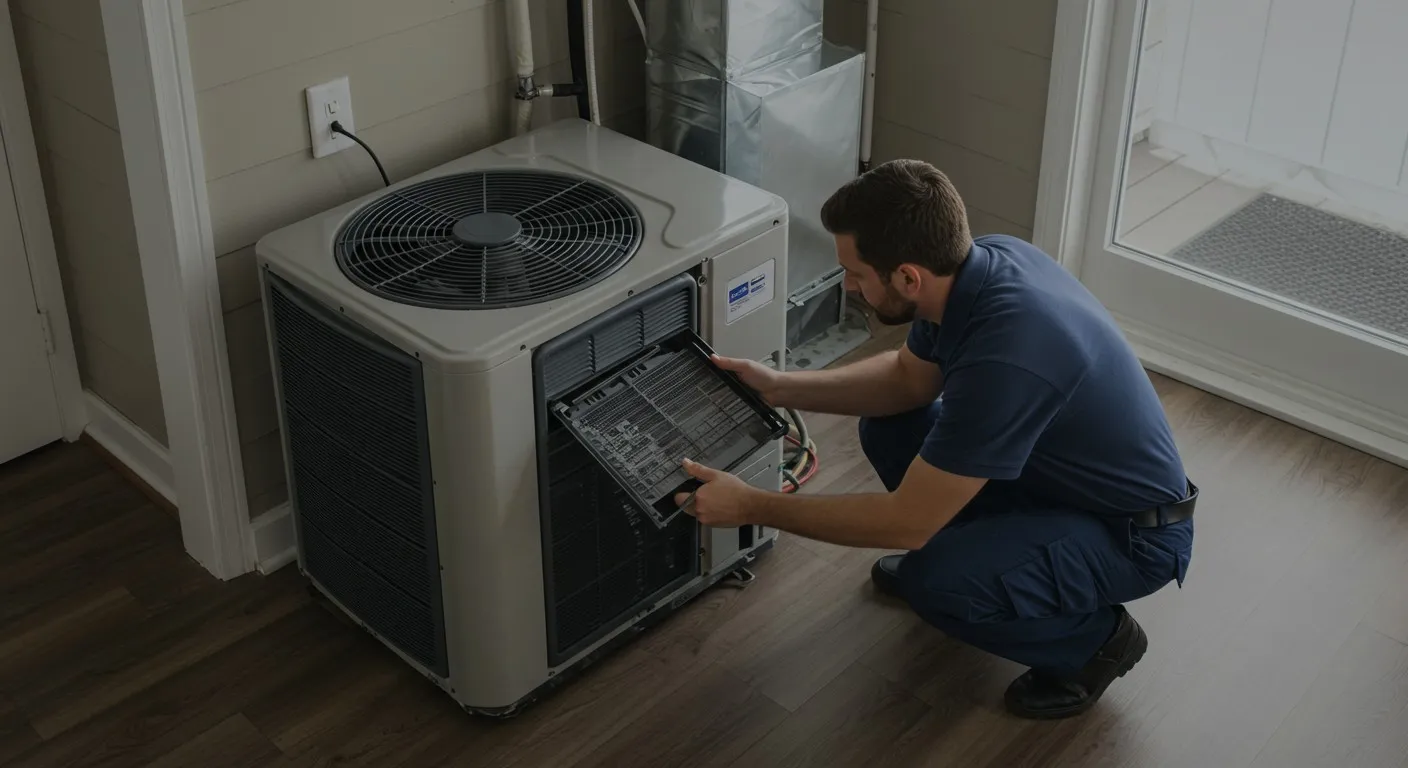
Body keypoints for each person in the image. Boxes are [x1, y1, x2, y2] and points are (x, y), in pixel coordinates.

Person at [675, 158, 1196, 720]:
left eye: (855, 273)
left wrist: (751, 505)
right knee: (891, 425)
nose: (847, 285)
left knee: (939, 583)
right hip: (1056, 485)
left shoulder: (1010, 354)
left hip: (1129, 537)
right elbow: (908, 381)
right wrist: (779, 387)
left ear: (907, 278)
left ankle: (1094, 643)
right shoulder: (979, 266)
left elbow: (906, 523)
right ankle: (980, 557)